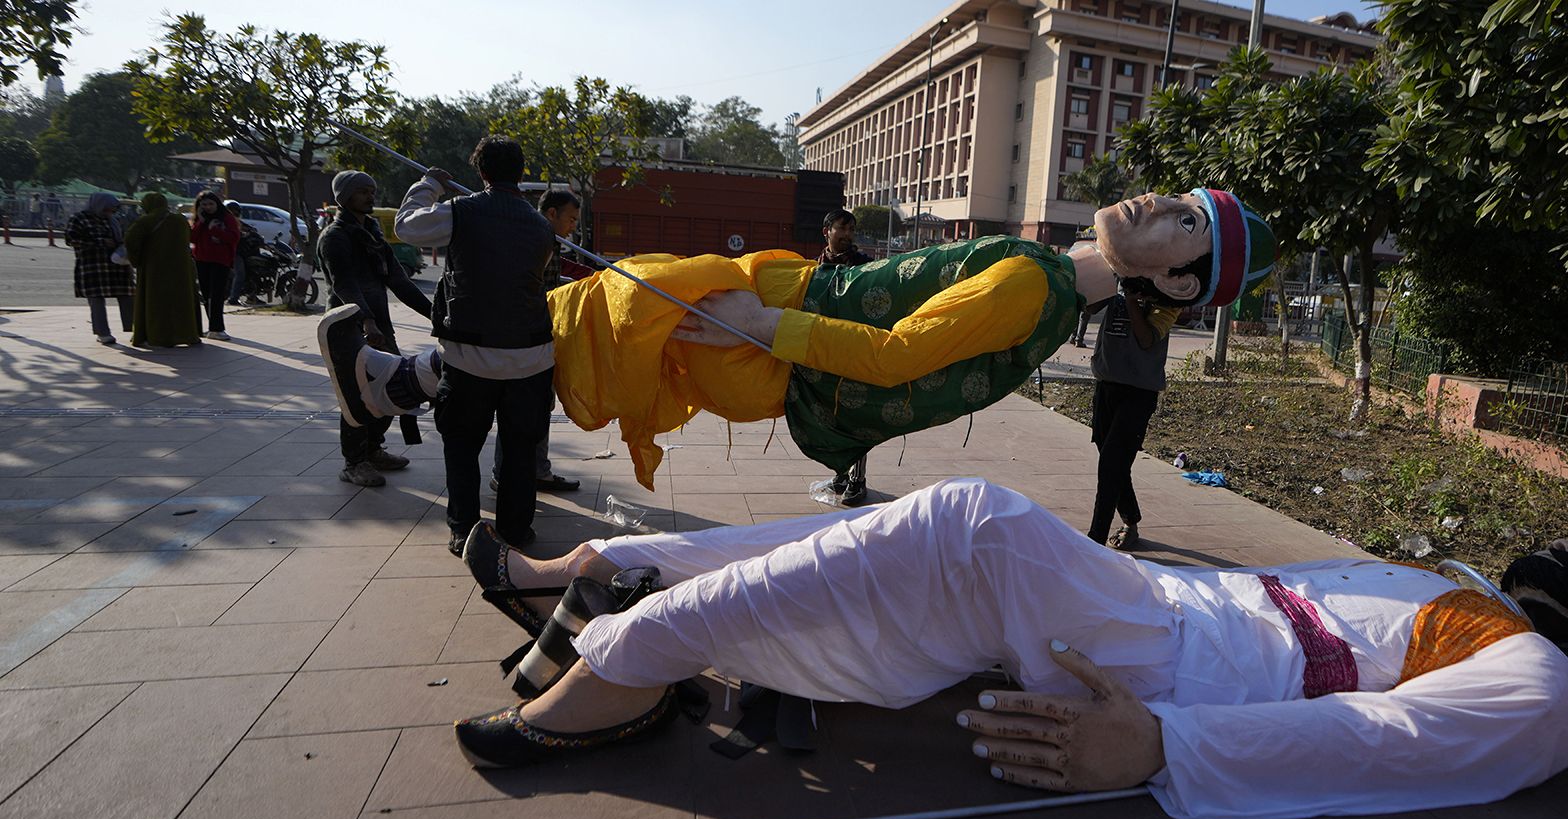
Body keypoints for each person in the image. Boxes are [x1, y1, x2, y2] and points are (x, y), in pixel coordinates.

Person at [448, 477, 1568, 819]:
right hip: (1160, 611)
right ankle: (609, 583)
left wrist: (1159, 745)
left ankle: (618, 660)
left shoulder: (1543, 686)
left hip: (1167, 670)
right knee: (904, 540)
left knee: (971, 521)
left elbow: (1388, 739)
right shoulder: (1446, 587)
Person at [323, 190, 1276, 499]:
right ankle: (398, 383)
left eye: (1187, 224)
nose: (1160, 202)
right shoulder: (1051, 282)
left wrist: (763, 324)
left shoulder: (1038, 283)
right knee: (589, 322)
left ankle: (395, 384)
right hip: (779, 320)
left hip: (774, 335)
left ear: (1180, 281)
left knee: (595, 326)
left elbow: (900, 354)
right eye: (1180, 196)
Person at [394, 137, 556, 555]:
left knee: (462, 448)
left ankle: (464, 531)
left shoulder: (462, 212)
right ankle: (516, 531)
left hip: (470, 361)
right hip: (531, 360)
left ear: (481, 173)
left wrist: (429, 183)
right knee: (520, 451)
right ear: (521, 174)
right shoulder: (541, 226)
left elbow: (407, 226)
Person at [318, 170, 433, 488]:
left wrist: (436, 315)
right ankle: (354, 462)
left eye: (372, 190)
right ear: (344, 196)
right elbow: (345, 285)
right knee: (357, 395)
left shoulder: (372, 234)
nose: (371, 196)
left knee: (392, 387)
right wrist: (366, 320)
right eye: (363, 191)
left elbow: (399, 281)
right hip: (347, 328)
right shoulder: (334, 237)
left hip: (378, 325)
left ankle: (373, 448)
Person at [489, 188, 584, 495]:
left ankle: (537, 470)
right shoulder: (531, 238)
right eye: (570, 219)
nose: (573, 226)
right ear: (552, 213)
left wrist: (593, 282)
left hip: (542, 336)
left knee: (540, 406)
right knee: (518, 409)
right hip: (522, 339)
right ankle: (504, 475)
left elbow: (555, 280)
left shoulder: (550, 241)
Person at [814, 208, 876, 506]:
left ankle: (858, 480)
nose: (848, 235)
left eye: (852, 230)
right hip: (827, 352)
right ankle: (841, 473)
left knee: (857, 416)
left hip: (856, 350)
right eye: (843, 228)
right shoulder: (815, 268)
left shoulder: (865, 266)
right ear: (827, 231)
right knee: (832, 416)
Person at [122, 192, 201, 349]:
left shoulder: (146, 221)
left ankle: (158, 335)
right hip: (181, 269)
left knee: (156, 303)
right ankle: (185, 334)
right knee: (181, 302)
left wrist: (136, 260)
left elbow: (130, 241)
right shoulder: (180, 220)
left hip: (155, 268)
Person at [65, 192, 134, 345]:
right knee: (96, 300)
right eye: (107, 209)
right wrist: (99, 242)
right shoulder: (79, 219)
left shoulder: (112, 221)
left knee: (127, 296)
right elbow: (71, 240)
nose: (109, 212)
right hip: (92, 265)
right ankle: (103, 333)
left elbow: (121, 238)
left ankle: (134, 329)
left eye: (112, 210)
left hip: (115, 266)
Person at [188, 191, 239, 341]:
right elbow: (192, 238)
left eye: (211, 204)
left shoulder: (227, 218)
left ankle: (217, 328)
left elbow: (233, 238)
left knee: (217, 294)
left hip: (221, 260)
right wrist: (201, 222)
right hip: (202, 260)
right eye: (204, 205)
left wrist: (214, 229)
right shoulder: (199, 220)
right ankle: (212, 327)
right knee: (206, 294)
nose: (208, 207)